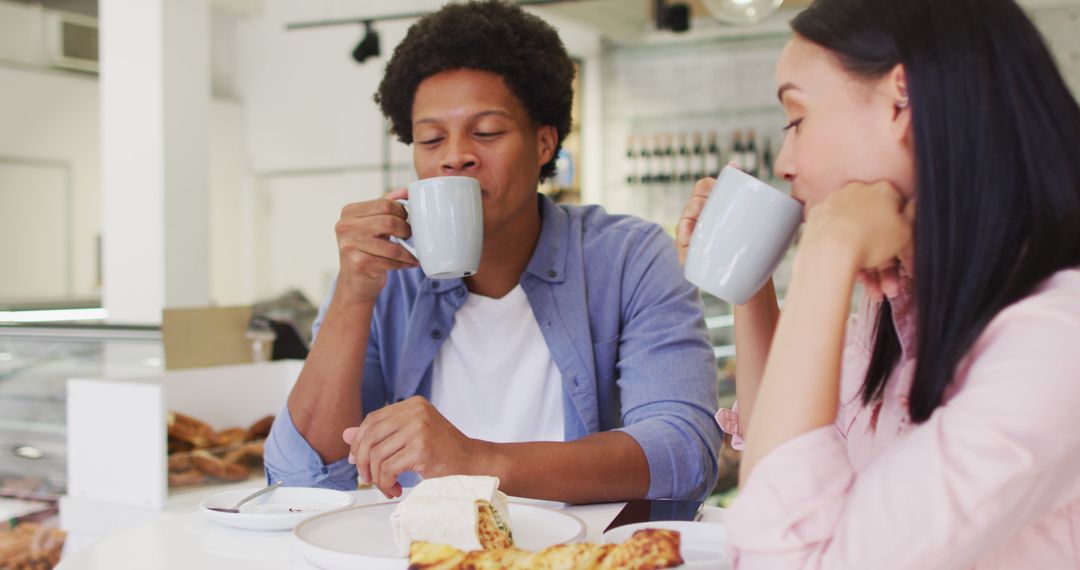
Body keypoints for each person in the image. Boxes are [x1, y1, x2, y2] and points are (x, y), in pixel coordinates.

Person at [264, 0, 723, 504]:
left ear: (544, 143)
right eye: (431, 138)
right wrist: (353, 292)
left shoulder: (628, 258)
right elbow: (299, 481)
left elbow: (685, 451)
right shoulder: (388, 274)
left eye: (486, 132)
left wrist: (475, 461)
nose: (455, 155)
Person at [676, 0, 1080, 566]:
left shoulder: (1054, 343)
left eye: (797, 119)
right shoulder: (899, 300)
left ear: (902, 99)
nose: (786, 161)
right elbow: (785, 445)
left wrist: (826, 252)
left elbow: (780, 555)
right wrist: (750, 268)